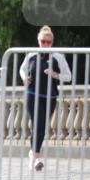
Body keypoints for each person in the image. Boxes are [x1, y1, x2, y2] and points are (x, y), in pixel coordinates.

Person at [19, 26, 71, 171]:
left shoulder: (58, 57)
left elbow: (68, 76)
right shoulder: (31, 55)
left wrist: (56, 75)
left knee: (41, 126)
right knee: (38, 123)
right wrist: (24, 78)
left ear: (52, 43)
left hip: (50, 96)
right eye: (43, 41)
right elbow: (22, 69)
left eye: (48, 42)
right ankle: (37, 157)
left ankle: (32, 153)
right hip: (32, 94)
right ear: (38, 41)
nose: (46, 44)